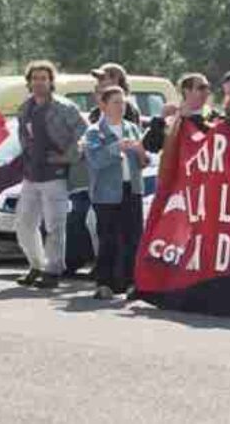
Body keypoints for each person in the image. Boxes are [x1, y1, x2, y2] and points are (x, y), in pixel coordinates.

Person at [15, 60, 87, 290]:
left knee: (55, 225)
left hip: (55, 175)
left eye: (43, 78)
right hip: (31, 175)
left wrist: (67, 157)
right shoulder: (25, 108)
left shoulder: (65, 107)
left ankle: (53, 270)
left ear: (51, 81)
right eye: (34, 78)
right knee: (24, 223)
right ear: (29, 82)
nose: (39, 83)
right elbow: (23, 139)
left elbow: (84, 134)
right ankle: (36, 265)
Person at [83, 86, 149, 300]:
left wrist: (140, 152)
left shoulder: (132, 128)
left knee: (133, 238)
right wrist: (116, 148)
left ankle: (131, 282)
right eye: (115, 102)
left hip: (133, 189)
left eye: (123, 102)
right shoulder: (95, 132)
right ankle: (104, 283)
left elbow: (143, 162)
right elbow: (95, 160)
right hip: (107, 193)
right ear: (103, 105)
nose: (121, 107)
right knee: (108, 238)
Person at [143, 73, 217, 152]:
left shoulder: (213, 116)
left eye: (208, 88)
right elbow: (150, 146)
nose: (207, 92)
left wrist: (190, 118)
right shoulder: (171, 117)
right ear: (186, 91)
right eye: (201, 88)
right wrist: (162, 119)